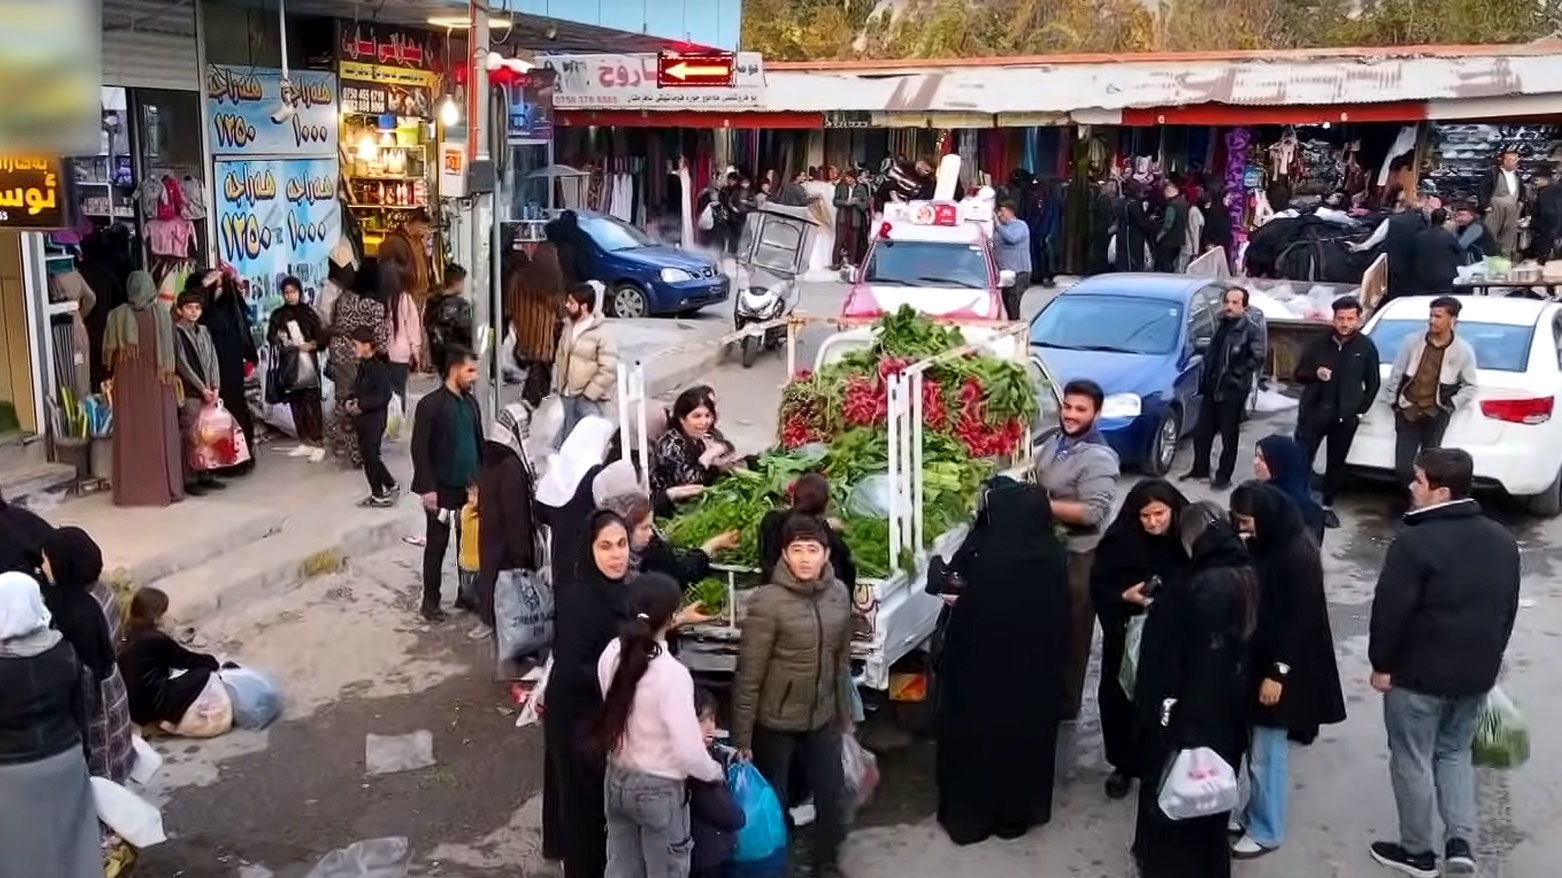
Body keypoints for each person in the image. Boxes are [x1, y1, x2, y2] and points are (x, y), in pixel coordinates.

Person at [1365, 448, 1518, 878]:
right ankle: (1460, 843)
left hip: (1417, 677)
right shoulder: (1502, 540)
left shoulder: (1414, 540)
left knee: (1411, 758)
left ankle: (1418, 852)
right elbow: (1505, 611)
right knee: (1454, 754)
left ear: (1441, 491)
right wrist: (1489, 660)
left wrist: (1381, 664)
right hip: (1475, 674)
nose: (1410, 486)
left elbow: (1391, 610)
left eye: (1417, 480)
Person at [935, 479, 1070, 845]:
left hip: (980, 679)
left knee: (975, 741)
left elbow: (964, 614)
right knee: (1025, 743)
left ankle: (972, 817)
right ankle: (1016, 815)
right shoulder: (1053, 555)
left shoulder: (989, 556)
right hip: (1033, 682)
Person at [1130, 503, 1256, 878]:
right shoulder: (1244, 571)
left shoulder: (1200, 585)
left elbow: (1178, 655)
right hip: (1229, 707)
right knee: (1212, 793)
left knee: (1175, 790)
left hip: (1190, 707)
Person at [1226, 483, 1346, 859]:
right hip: (1262, 664)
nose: (1242, 530)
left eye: (1247, 523)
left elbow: (1297, 623)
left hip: (1278, 671)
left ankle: (1266, 828)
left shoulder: (1294, 559)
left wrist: (1277, 673)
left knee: (1266, 754)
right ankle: (1254, 815)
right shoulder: (1276, 547)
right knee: (1257, 750)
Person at [732, 515, 853, 878]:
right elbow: (749, 673)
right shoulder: (768, 601)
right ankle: (777, 865)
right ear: (784, 555)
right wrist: (742, 738)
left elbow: (841, 659)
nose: (804, 558)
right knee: (776, 800)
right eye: (796, 550)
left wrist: (843, 709)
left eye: (812, 550)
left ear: (826, 554)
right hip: (776, 720)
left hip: (822, 715)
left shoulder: (838, 595)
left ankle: (826, 863)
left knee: (831, 794)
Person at [594, 572, 725, 878]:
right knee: (666, 870)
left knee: (621, 866)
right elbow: (688, 751)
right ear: (670, 618)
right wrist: (713, 772)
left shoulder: (611, 653)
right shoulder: (672, 674)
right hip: (659, 790)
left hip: (616, 778)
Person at [544, 510, 634, 878]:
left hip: (598, 715)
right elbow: (571, 668)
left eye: (622, 544)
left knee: (589, 806)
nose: (616, 555)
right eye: (606, 546)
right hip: (577, 720)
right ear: (589, 550)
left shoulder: (620, 591)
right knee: (585, 811)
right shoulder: (580, 600)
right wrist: (620, 677)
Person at [1088, 478, 1190, 800]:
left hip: (1171, 638)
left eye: (1160, 514)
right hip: (1124, 636)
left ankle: (1162, 760)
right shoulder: (1118, 542)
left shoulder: (1186, 541)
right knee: (1120, 699)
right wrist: (1124, 596)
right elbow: (1100, 586)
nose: (1153, 522)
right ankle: (1123, 764)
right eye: (1145, 516)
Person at [0, 571, 103, 878]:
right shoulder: (64, 651)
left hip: (11, 773)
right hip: (65, 760)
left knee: (19, 851)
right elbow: (85, 708)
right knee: (71, 843)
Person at [1031, 379, 1120, 720]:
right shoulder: (1059, 441)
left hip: (1080, 555)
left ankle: (1065, 705)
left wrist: (1039, 503)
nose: (1070, 414)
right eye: (1067, 406)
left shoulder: (1098, 457)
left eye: (1080, 409)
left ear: (1096, 413)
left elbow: (1093, 512)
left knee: (1073, 628)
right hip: (1053, 550)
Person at [40, 527, 135, 782]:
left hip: (94, 701)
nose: (43, 566)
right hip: (113, 687)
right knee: (114, 771)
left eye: (47, 559)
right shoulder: (101, 591)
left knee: (99, 772)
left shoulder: (75, 609)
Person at [1381, 296, 1479, 503]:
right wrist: (1393, 401)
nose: (1432, 320)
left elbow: (1470, 386)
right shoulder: (1412, 342)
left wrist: (1450, 405)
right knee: (1404, 465)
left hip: (1436, 413)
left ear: (1452, 320)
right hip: (1408, 410)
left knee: (1432, 466)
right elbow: (1397, 373)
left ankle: (1427, 506)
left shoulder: (1462, 350)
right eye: (1431, 315)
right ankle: (1412, 501)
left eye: (1438, 316)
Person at [410, 346, 483, 622]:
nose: (474, 377)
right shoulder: (430, 405)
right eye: (470, 370)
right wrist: (427, 488)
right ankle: (431, 602)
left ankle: (467, 594)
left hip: (469, 490)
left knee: (469, 544)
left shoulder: (471, 404)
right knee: (437, 546)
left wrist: (482, 481)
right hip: (440, 489)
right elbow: (420, 449)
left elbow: (478, 443)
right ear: (454, 370)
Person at [1294, 296, 1379, 526]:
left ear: (1358, 320)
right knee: (1301, 459)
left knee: (1336, 464)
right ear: (1333, 319)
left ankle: (1326, 506)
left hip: (1344, 416)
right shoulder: (1317, 344)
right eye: (1340, 318)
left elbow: (1373, 384)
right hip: (1313, 412)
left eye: (1350, 318)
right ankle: (1297, 503)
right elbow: (1298, 374)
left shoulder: (1365, 347)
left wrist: (1359, 411)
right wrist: (1315, 373)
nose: (1345, 323)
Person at [102, 269, 184, 507]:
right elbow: (172, 353)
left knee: (130, 434)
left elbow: (109, 355)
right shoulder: (162, 316)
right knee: (161, 433)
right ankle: (165, 488)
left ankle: (130, 491)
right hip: (158, 383)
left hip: (128, 386)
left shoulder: (115, 317)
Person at [1183, 286, 1265, 490]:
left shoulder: (1251, 329)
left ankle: (1223, 477)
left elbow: (1258, 357)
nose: (1229, 306)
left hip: (1232, 390)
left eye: (1235, 303)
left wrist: (1236, 374)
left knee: (1229, 436)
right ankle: (1200, 468)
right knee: (1202, 432)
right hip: (1212, 386)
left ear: (1244, 306)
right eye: (1227, 302)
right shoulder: (1220, 323)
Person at [476, 402, 542, 635]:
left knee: (491, 580)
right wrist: (524, 556)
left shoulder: (489, 458)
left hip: (490, 540)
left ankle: (486, 620)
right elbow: (517, 519)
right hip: (508, 551)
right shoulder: (512, 467)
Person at [118, 586, 223, 731]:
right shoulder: (155, 639)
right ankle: (168, 718)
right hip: (153, 704)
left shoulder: (126, 631)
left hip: (131, 705)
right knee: (204, 672)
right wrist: (211, 661)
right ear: (156, 616)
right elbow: (187, 660)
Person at [537, 416, 619, 587]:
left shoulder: (558, 465)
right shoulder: (595, 470)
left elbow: (541, 509)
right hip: (585, 546)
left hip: (560, 545)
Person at [326, 258, 390, 467]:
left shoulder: (345, 297)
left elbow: (334, 322)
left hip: (340, 352)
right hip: (362, 354)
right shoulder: (375, 305)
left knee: (344, 398)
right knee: (363, 403)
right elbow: (381, 341)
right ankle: (360, 452)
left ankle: (343, 444)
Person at [601, 492, 738, 590]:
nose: (651, 534)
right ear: (623, 531)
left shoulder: (631, 561)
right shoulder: (619, 575)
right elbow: (677, 576)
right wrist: (711, 546)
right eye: (644, 528)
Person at [195, 269, 257, 473]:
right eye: (216, 286)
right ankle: (222, 460)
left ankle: (238, 460)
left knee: (233, 410)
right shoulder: (207, 311)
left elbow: (244, 334)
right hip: (213, 367)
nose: (219, 289)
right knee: (217, 414)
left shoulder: (232, 307)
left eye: (221, 285)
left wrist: (251, 358)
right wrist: (205, 284)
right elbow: (192, 303)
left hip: (230, 368)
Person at [757, 471, 858, 590]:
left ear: (793, 497)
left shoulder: (771, 522)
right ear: (825, 505)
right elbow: (845, 581)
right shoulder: (833, 542)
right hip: (814, 604)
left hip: (773, 599)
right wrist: (825, 525)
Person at [172, 288, 228, 496]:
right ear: (180, 310)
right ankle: (190, 478)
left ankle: (206, 474)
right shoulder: (176, 332)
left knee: (208, 434)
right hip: (191, 392)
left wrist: (215, 386)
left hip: (208, 391)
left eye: (197, 308)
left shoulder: (203, 330)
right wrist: (202, 388)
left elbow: (213, 358)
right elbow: (182, 363)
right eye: (189, 308)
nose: (194, 312)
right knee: (191, 434)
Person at [267, 275, 328, 461]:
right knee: (295, 403)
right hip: (289, 364)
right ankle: (305, 441)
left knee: (311, 402)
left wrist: (313, 344)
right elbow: (270, 338)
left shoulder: (309, 313)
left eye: (293, 292)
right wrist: (278, 337)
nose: (290, 296)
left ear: (299, 292)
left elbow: (322, 337)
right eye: (286, 292)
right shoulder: (278, 315)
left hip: (307, 362)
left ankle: (318, 442)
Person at [553, 282, 618, 448]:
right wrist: (558, 384)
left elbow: (609, 369)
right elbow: (560, 357)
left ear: (583, 306)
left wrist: (590, 393)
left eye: (571, 302)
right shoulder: (567, 327)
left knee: (588, 443)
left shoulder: (602, 333)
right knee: (567, 440)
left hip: (588, 399)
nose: (566, 305)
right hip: (567, 394)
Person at [650, 386, 742, 504]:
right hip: (671, 506)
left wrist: (720, 453)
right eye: (697, 416)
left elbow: (727, 446)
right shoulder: (671, 445)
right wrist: (707, 457)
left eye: (707, 415)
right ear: (682, 419)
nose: (704, 422)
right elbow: (689, 481)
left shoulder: (700, 437)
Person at [689, 687, 745, 878]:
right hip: (706, 860)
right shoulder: (700, 769)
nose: (710, 728)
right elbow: (731, 816)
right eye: (701, 720)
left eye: (712, 719)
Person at [339, 327, 396, 507]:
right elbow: (356, 389)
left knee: (370, 457)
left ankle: (378, 495)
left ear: (366, 346)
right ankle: (390, 484)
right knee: (370, 456)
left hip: (374, 421)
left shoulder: (379, 368)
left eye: (355, 345)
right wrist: (349, 401)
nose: (352, 348)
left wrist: (361, 405)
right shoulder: (363, 366)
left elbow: (384, 396)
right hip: (363, 421)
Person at [507, 246, 566, 407]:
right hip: (544, 339)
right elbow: (561, 312)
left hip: (524, 334)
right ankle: (533, 405)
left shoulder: (519, 277)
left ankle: (533, 402)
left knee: (536, 373)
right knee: (541, 377)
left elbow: (510, 304)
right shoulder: (552, 282)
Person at [1252, 434, 1325, 541]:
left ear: (1280, 464)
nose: (1255, 462)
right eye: (1256, 456)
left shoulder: (1304, 511)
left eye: (1263, 459)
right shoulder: (1257, 492)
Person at [376, 257, 423, 404]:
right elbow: (413, 328)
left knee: (381, 391)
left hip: (379, 352)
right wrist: (416, 353)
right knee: (398, 393)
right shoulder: (404, 299)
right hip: (400, 354)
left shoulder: (377, 299)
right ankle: (396, 424)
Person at [375, 207, 433, 307]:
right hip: (400, 298)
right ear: (411, 223)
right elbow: (388, 271)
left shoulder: (418, 243)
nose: (425, 230)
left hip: (414, 298)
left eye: (426, 226)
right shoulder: (395, 242)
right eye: (422, 225)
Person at [423, 263, 472, 375]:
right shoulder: (459, 304)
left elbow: (426, 323)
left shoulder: (432, 301)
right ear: (457, 282)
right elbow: (466, 328)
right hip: (458, 352)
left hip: (437, 352)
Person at [1477, 147, 1524, 259]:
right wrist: (1485, 205)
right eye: (1509, 159)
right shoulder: (1493, 173)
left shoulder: (1517, 174)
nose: (1513, 162)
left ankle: (1505, 260)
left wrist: (1521, 203)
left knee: (1509, 236)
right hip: (1495, 206)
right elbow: (1483, 189)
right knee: (1491, 234)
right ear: (1502, 160)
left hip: (1513, 207)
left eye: (1515, 160)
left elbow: (1521, 190)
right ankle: (1488, 259)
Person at [993, 200, 1032, 320]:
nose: (999, 215)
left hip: (1019, 272)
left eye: (1002, 211)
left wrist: (998, 226)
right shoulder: (999, 230)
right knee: (1006, 303)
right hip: (1004, 273)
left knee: (1014, 302)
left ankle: (1016, 327)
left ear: (1010, 212)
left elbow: (1012, 238)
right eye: (998, 212)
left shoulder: (1020, 226)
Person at [1411, 207, 1462, 296]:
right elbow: (1458, 250)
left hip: (1422, 275)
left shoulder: (1419, 236)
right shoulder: (1447, 236)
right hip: (1444, 276)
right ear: (1444, 221)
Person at [831, 169, 871, 270]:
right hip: (843, 217)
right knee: (839, 240)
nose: (847, 179)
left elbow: (865, 205)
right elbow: (835, 201)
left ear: (854, 179)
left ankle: (852, 262)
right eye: (846, 177)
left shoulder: (861, 189)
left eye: (849, 178)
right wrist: (845, 202)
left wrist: (856, 202)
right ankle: (836, 262)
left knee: (854, 241)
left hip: (855, 217)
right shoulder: (841, 187)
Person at [1113, 180, 1156, 272]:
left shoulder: (1122, 202)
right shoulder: (1133, 204)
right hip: (1133, 235)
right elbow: (1141, 221)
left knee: (1124, 256)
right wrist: (1153, 227)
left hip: (1123, 232)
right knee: (1134, 257)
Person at [1154, 180, 1190, 272]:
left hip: (1169, 241)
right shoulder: (1184, 203)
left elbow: (1167, 225)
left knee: (1166, 262)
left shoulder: (1171, 206)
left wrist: (1159, 236)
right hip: (1180, 239)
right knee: (1174, 262)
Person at [1528, 168, 1561, 262]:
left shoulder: (1549, 194)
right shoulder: (1545, 191)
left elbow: (1549, 213)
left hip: (1548, 233)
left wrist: (1534, 224)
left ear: (1546, 179)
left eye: (1536, 180)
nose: (1535, 183)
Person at [1200, 185, 1234, 260]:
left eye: (1231, 198)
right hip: (1213, 248)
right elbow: (1207, 229)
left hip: (1223, 248)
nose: (1229, 201)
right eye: (1227, 198)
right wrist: (1208, 244)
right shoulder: (1214, 212)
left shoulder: (1227, 213)